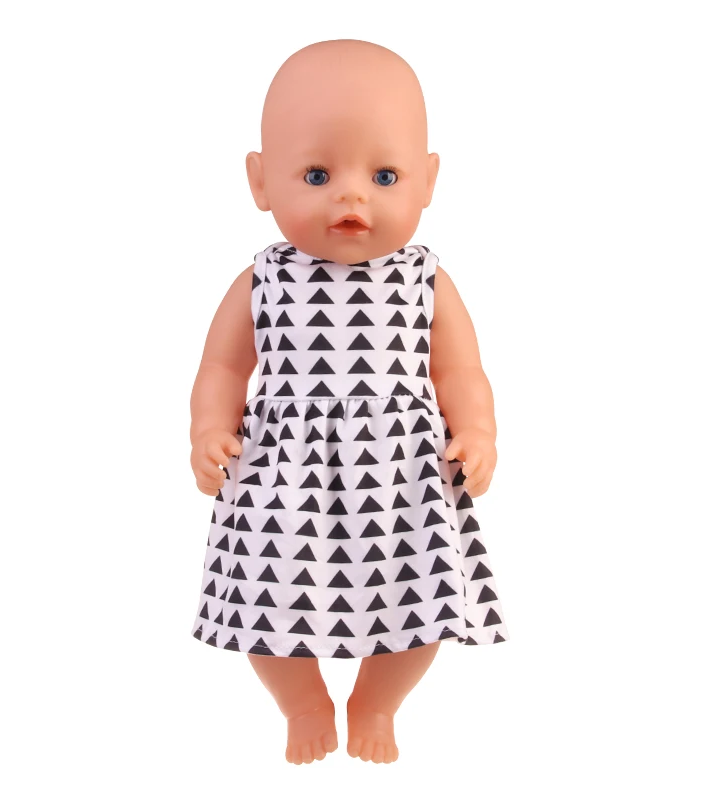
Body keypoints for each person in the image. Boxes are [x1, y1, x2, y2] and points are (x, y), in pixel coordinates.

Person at [189, 39, 509, 765]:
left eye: (385, 175)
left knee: (422, 604)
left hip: (403, 474)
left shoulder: (424, 279)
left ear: (428, 182)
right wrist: (208, 429)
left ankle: (378, 701)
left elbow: (460, 369)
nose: (352, 195)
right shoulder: (264, 279)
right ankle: (302, 702)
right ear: (260, 181)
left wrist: (479, 431)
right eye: (317, 174)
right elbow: (223, 365)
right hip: (281, 472)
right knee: (262, 603)